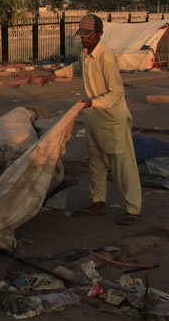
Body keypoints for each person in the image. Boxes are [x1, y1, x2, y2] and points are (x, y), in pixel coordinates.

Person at [42, 14, 142, 225]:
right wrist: (54, 75)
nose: (84, 39)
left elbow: (116, 94)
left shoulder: (106, 58)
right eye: (82, 36)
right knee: (96, 164)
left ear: (99, 34)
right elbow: (77, 67)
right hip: (93, 119)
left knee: (122, 167)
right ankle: (98, 203)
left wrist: (91, 102)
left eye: (88, 36)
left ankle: (133, 209)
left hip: (112, 121)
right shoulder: (85, 54)